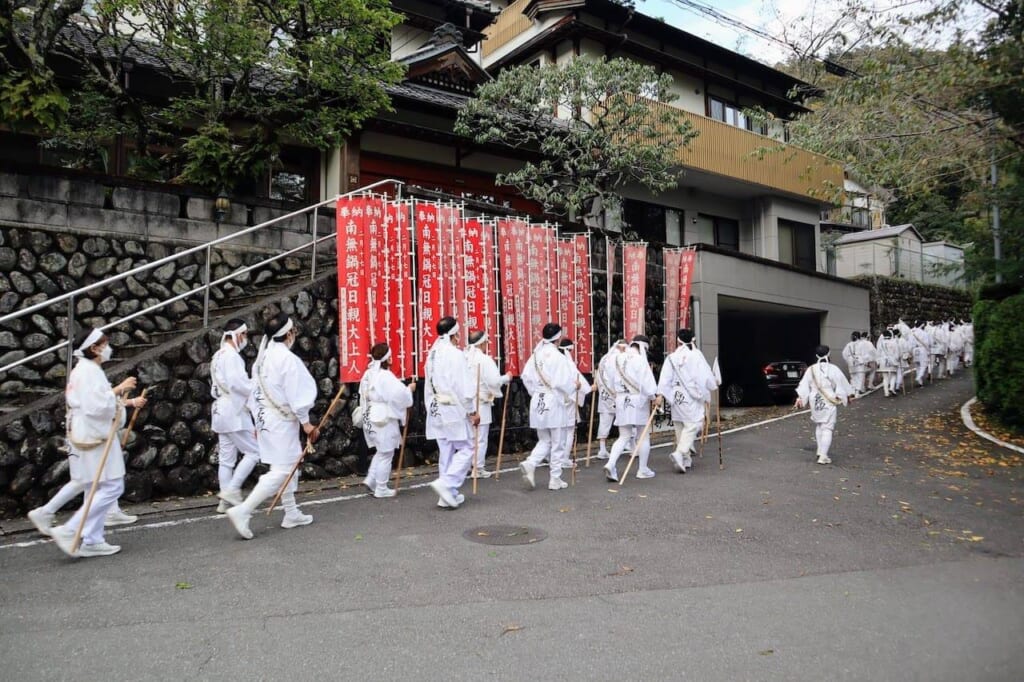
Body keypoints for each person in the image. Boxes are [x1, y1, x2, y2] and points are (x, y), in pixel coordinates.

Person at [47, 327, 147, 558]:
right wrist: (120, 400)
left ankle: (92, 538)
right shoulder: (89, 371)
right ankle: (70, 529)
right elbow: (97, 407)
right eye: (104, 343)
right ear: (93, 348)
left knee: (100, 486)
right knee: (111, 486)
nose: (107, 348)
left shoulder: (85, 369)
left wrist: (119, 399)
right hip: (96, 433)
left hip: (90, 431)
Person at [226, 314, 319, 539]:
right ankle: (244, 510)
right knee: (282, 470)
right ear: (288, 334)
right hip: (280, 420)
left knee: (285, 465)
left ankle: (291, 512)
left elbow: (255, 390)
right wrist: (306, 423)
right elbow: (297, 393)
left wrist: (257, 419)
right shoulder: (286, 359)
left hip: (267, 418)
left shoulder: (264, 356)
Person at [425, 317, 480, 509]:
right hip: (451, 407)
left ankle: (447, 495)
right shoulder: (454, 355)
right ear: (454, 334)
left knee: (446, 449)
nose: (459, 337)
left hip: (436, 406)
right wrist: (471, 410)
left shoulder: (432, 353)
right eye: (458, 333)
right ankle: (447, 485)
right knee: (467, 448)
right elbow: (462, 386)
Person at [519, 323, 578, 491]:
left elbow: (525, 376)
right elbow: (564, 382)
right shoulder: (558, 357)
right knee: (557, 441)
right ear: (558, 338)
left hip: (538, 399)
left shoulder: (536, 355)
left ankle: (531, 463)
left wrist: (535, 392)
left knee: (545, 439)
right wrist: (575, 387)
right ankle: (555, 479)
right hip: (553, 400)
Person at [211, 319, 260, 513]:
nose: (246, 338)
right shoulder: (231, 356)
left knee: (226, 458)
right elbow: (238, 384)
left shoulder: (218, 355)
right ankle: (231, 490)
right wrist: (254, 384)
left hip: (220, 409)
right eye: (245, 334)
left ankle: (225, 500)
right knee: (254, 451)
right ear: (237, 335)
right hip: (233, 410)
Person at [359, 343, 415, 499]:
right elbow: (399, 395)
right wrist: (409, 390)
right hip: (383, 416)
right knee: (387, 453)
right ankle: (381, 487)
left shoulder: (369, 374)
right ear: (386, 358)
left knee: (381, 450)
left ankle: (371, 479)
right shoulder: (385, 376)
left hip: (371, 413)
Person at [658, 329, 717, 473]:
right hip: (691, 395)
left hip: (675, 394)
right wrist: (713, 385)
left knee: (680, 425)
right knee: (694, 424)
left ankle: (686, 459)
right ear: (693, 340)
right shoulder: (696, 355)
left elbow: (664, 378)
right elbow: (705, 376)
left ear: (678, 340)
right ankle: (680, 452)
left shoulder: (671, 357)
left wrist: (661, 394)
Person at [603, 334, 660, 482]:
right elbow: (647, 384)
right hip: (637, 400)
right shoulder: (640, 360)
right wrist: (654, 397)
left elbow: (608, 378)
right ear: (643, 347)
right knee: (643, 435)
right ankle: (642, 469)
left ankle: (610, 463)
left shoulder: (616, 358)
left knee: (624, 435)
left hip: (621, 399)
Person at [795, 345, 855, 465]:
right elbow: (842, 383)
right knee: (827, 427)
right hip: (829, 399)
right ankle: (823, 455)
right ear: (828, 354)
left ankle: (820, 449)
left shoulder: (811, 369)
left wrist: (801, 398)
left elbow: (804, 385)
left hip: (815, 399)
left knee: (819, 424)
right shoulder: (833, 369)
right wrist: (848, 395)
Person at [463, 330, 511, 478]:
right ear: (482, 343)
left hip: (465, 403)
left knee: (468, 438)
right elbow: (494, 381)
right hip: (480, 403)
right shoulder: (484, 359)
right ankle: (477, 467)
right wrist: (506, 378)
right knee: (480, 437)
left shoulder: (463, 358)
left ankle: (466, 467)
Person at [557, 337, 593, 471]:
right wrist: (588, 389)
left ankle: (556, 456)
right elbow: (577, 379)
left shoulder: (555, 361)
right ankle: (565, 458)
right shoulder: (567, 363)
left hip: (557, 399)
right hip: (569, 398)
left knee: (559, 428)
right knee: (569, 429)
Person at [593, 339, 627, 460]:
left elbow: (597, 374)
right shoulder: (619, 358)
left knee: (605, 421)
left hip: (604, 394)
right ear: (623, 348)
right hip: (616, 393)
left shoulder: (604, 358)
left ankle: (602, 448)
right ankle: (628, 443)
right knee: (625, 418)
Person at [876, 328, 900, 397]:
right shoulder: (894, 342)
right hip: (892, 360)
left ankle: (886, 392)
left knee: (885, 377)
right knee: (893, 375)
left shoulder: (880, 344)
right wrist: (897, 359)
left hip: (883, 361)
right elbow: (897, 353)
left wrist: (878, 362)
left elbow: (878, 353)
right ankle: (892, 388)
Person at [910, 320, 932, 386]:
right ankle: (919, 377)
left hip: (914, 349)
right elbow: (928, 343)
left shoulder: (911, 332)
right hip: (922, 349)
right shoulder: (924, 333)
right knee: (923, 365)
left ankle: (920, 382)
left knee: (917, 366)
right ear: (921, 325)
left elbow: (910, 343)